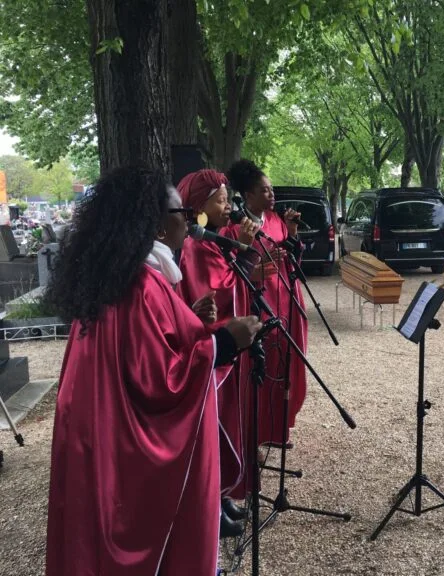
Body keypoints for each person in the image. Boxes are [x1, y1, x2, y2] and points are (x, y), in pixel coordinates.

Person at [44, 166, 261, 576]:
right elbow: (158, 383)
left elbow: (144, 351)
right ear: (157, 224)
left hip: (95, 435)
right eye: (181, 211)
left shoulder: (118, 278)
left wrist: (194, 322)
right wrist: (224, 343)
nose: (189, 219)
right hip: (121, 447)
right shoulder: (141, 285)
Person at [175, 169, 265, 535]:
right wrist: (243, 256)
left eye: (228, 198)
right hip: (212, 355)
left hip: (226, 351)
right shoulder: (195, 247)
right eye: (221, 200)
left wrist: (244, 246)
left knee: (226, 423)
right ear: (198, 207)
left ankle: (222, 493)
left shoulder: (214, 241)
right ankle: (211, 501)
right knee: (214, 426)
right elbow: (216, 291)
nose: (228, 206)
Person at [225, 159, 308, 448]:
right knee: (258, 367)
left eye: (271, 189)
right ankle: (253, 437)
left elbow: (291, 260)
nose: (271, 195)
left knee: (281, 364)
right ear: (248, 195)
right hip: (255, 302)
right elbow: (229, 269)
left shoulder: (275, 221)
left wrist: (292, 233)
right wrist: (254, 271)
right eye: (264, 190)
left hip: (283, 300)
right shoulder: (236, 227)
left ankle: (276, 429)